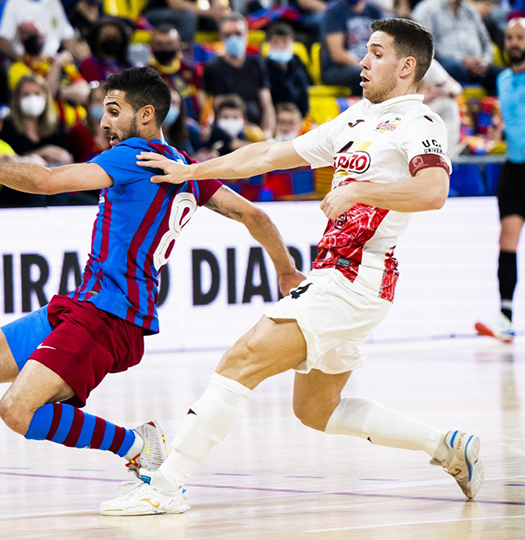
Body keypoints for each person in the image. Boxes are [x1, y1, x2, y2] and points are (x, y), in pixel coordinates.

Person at [0, 68, 301, 499]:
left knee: (17, 410)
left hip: (110, 314)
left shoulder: (136, 155)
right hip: (86, 304)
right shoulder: (188, 170)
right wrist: (284, 269)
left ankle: (137, 445)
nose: (103, 122)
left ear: (146, 117)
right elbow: (255, 216)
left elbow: (45, 181)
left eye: (113, 110)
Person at [101, 19, 483, 516]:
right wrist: (192, 170)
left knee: (240, 360)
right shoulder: (355, 120)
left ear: (406, 67)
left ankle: (166, 486)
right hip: (339, 277)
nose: (363, 61)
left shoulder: (420, 123)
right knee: (315, 409)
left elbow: (433, 192)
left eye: (376, 53)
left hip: (357, 277)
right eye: (365, 51)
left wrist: (359, 190)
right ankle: (448, 446)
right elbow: (267, 154)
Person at [475, 18, 525, 343]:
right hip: (514, 169)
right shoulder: (504, 79)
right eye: (509, 37)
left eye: (520, 37)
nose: (514, 43)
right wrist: (497, 130)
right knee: (506, 241)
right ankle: (505, 316)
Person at [204, 15, 276, 139]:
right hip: (230, 129)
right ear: (221, 38)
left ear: (247, 35)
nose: (234, 38)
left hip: (258, 128)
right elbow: (220, 108)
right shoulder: (214, 67)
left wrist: (267, 132)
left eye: (238, 33)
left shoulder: (257, 63)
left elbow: (267, 104)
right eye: (228, 35)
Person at [7, 21, 90, 127]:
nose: (33, 36)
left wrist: (58, 92)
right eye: (26, 33)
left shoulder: (59, 61)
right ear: (19, 39)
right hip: (49, 127)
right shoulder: (18, 68)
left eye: (36, 32)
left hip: (79, 124)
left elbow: (85, 92)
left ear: (44, 35)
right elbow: (45, 97)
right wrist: (56, 66)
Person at [412, 0, 503, 94]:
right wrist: (463, 60)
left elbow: (486, 41)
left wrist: (485, 61)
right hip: (446, 62)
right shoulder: (427, 9)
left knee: (501, 75)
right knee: (456, 68)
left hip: (477, 64)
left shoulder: (470, 9)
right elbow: (427, 46)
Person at [320, 0, 383, 95]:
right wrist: (365, 66)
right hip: (337, 69)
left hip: (367, 64)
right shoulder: (334, 11)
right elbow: (337, 54)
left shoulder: (374, 10)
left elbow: (382, 45)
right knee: (362, 74)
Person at [149, 24, 205, 123]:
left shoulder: (189, 70)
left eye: (169, 44)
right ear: (152, 45)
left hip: (194, 124)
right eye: (159, 44)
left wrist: (204, 124)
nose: (164, 49)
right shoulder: (147, 74)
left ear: (178, 45)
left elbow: (201, 100)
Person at [265, 22, 311, 119]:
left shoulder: (297, 64)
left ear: (292, 43)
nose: (281, 47)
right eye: (276, 42)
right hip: (274, 117)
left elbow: (304, 95)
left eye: (285, 42)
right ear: (268, 44)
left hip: (297, 116)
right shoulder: (262, 67)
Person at [79, 16, 134, 84]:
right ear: (96, 40)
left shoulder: (128, 65)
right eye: (106, 36)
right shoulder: (89, 64)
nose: (111, 40)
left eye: (115, 36)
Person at [68, 84, 112, 163]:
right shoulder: (77, 132)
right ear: (89, 104)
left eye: (106, 102)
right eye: (97, 100)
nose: (102, 106)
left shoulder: (118, 133)